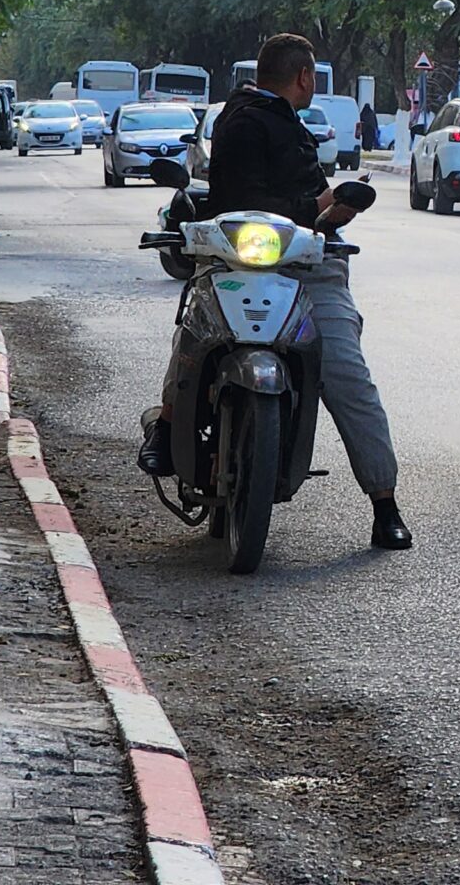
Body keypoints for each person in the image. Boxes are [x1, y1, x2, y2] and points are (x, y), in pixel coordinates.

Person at [137, 32, 413, 552]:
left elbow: (289, 196)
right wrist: (323, 208)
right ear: (304, 77)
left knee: (346, 374)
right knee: (197, 331)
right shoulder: (249, 120)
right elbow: (253, 199)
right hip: (245, 257)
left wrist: (329, 211)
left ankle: (385, 500)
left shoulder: (272, 120)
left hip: (306, 262)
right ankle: (167, 428)